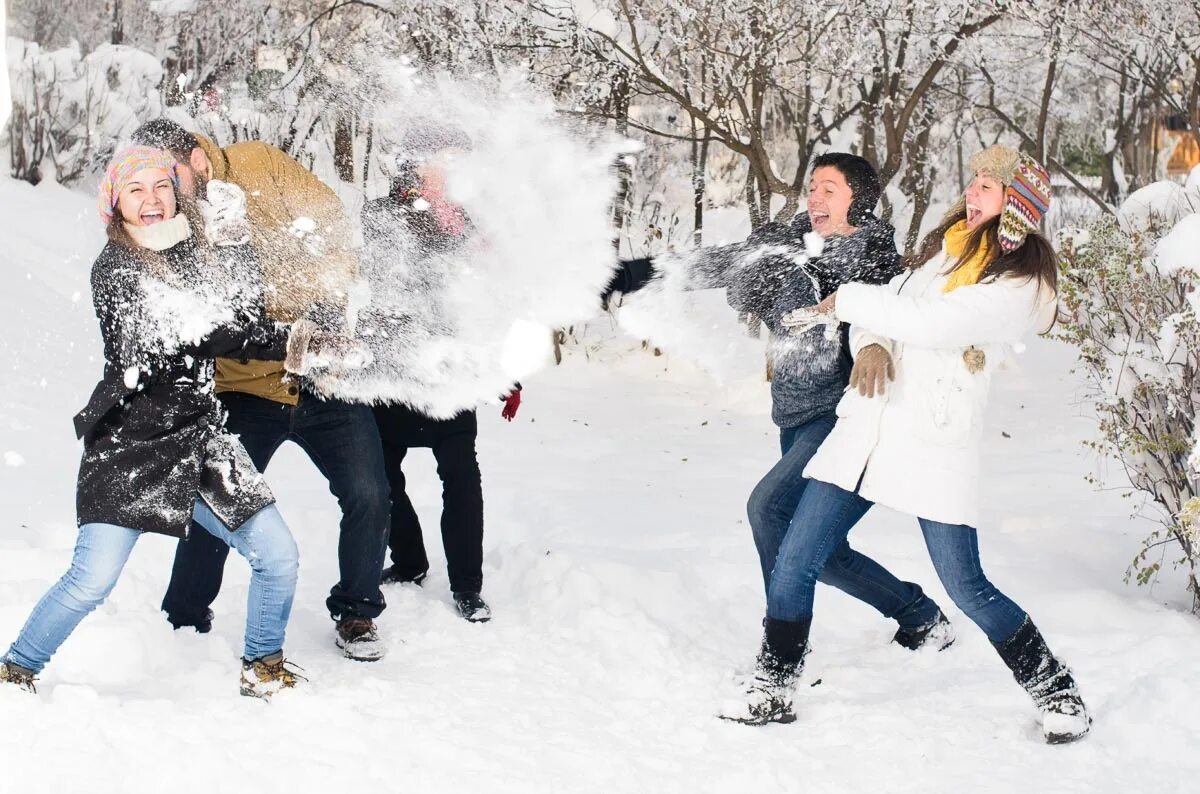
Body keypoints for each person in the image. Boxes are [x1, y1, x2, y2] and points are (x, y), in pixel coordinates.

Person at [723, 145, 1090, 744]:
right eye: (973, 183)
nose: (972, 194)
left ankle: (1056, 689)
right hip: (867, 425)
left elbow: (933, 324)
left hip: (931, 442)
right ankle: (774, 683)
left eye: (988, 190)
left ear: (1015, 208)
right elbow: (895, 303)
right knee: (796, 551)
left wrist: (849, 303)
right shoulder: (944, 254)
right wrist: (869, 342)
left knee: (966, 585)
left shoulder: (1014, 284)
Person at [606, 153, 954, 649]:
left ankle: (784, 640)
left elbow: (827, 284)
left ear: (859, 200)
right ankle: (918, 615)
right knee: (824, 553)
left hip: (846, 419)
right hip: (794, 415)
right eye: (812, 186)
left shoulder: (873, 260)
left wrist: (774, 266)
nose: (814, 197)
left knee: (768, 510)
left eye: (829, 189)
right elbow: (725, 263)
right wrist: (634, 273)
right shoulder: (791, 240)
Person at [0, 147, 304, 697]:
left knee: (278, 555)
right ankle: (15, 668)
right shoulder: (113, 268)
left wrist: (237, 249)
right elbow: (174, 336)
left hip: (200, 438)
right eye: (135, 190)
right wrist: (271, 338)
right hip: (131, 447)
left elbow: (245, 315)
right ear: (116, 202)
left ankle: (262, 666)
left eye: (161, 186)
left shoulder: (196, 252)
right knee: (90, 581)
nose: (151, 200)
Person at [131, 119, 392, 661]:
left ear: (195, 158)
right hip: (245, 388)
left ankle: (358, 613)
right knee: (216, 503)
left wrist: (313, 285)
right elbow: (211, 314)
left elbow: (326, 221)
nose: (163, 190)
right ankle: (183, 617)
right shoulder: (176, 223)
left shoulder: (258, 161)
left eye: (168, 174)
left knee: (369, 494)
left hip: (325, 380)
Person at [360, 125, 519, 623]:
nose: (451, 169)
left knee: (461, 478)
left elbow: (494, 302)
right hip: (393, 368)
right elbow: (371, 289)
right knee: (383, 479)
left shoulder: (475, 224)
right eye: (441, 159)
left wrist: (507, 369)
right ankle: (408, 560)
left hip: (453, 371)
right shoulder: (380, 215)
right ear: (415, 162)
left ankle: (467, 586)